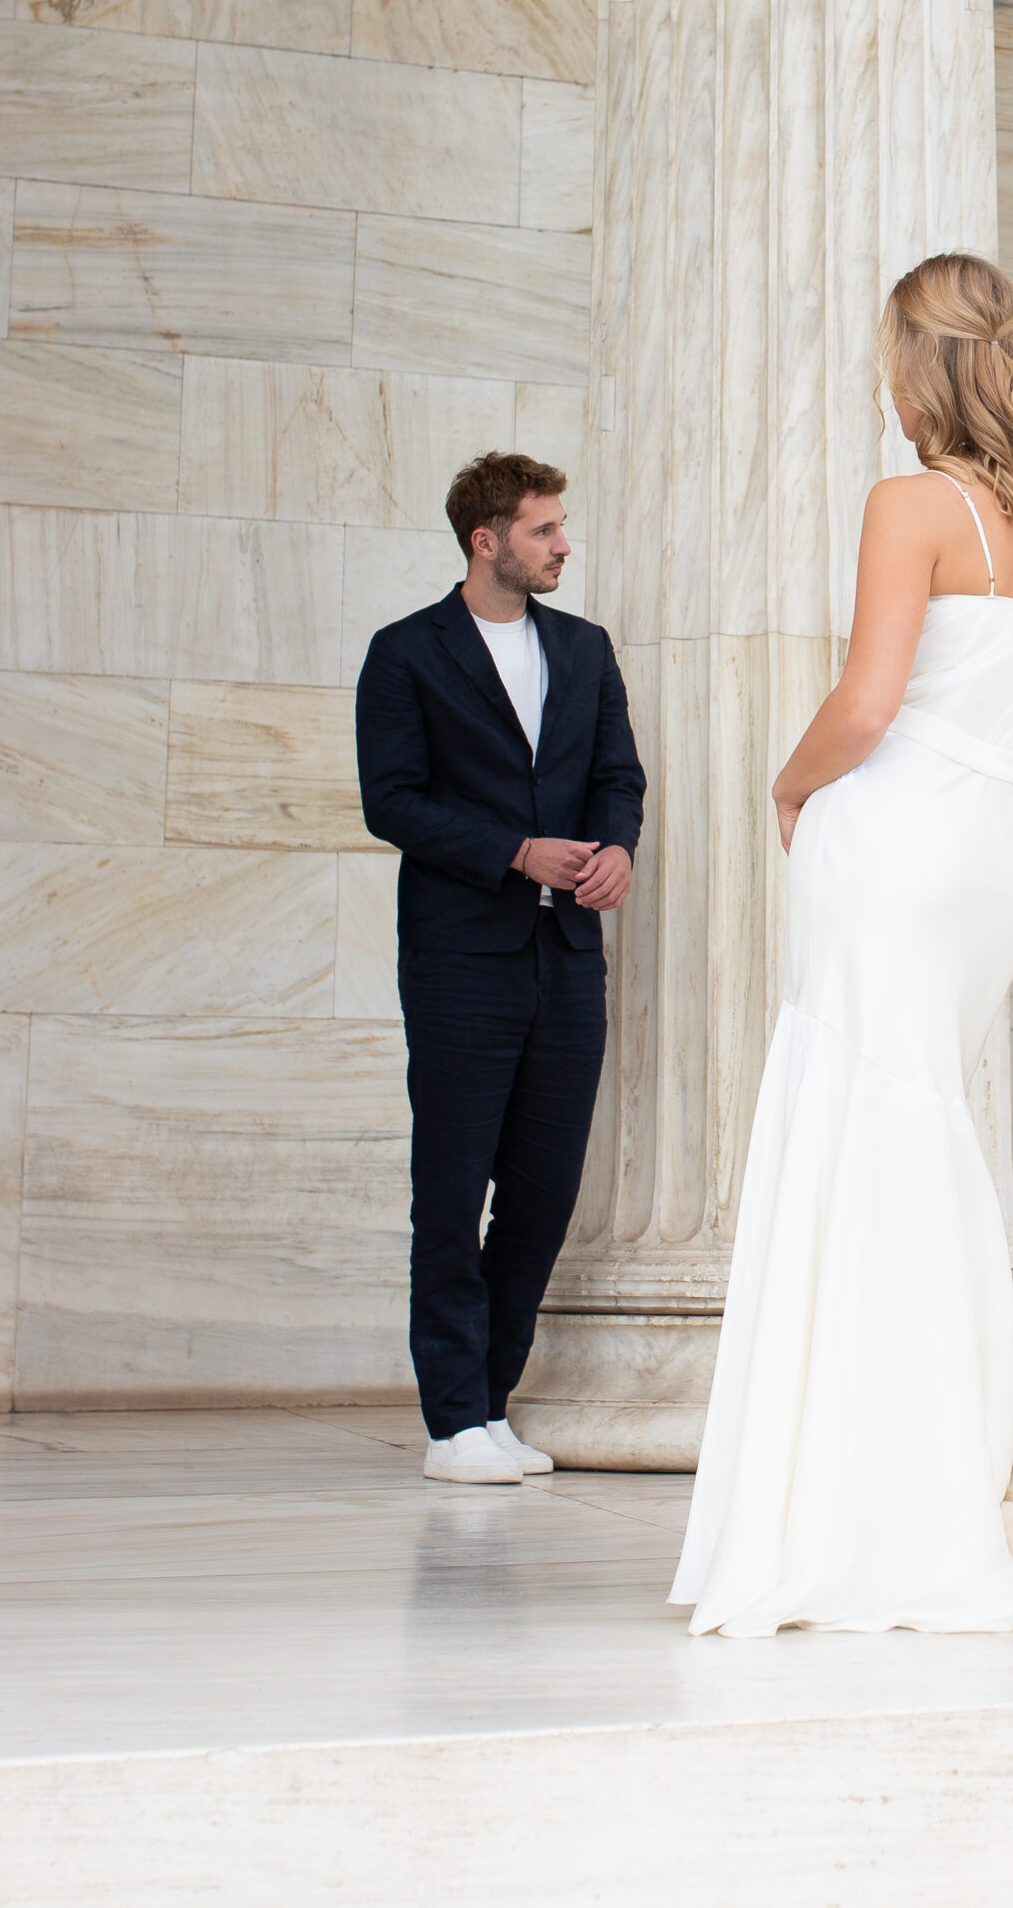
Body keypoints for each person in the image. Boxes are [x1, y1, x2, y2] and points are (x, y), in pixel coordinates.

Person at [669, 254, 1013, 1633]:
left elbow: (862, 704)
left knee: (858, 1133)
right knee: (928, 1131)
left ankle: (848, 1512)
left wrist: (791, 787)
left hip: (887, 833)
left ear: (911, 366)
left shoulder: (912, 503)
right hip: (984, 852)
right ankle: (932, 1489)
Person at [356, 451, 646, 1486]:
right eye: (543, 529)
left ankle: (491, 1403)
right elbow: (391, 799)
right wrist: (513, 850)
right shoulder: (407, 654)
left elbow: (618, 774)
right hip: (460, 960)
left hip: (566, 958)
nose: (563, 543)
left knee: (541, 1192)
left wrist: (614, 847)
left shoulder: (584, 646)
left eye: (560, 526)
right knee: (451, 1187)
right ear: (487, 540)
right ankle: (451, 1422)